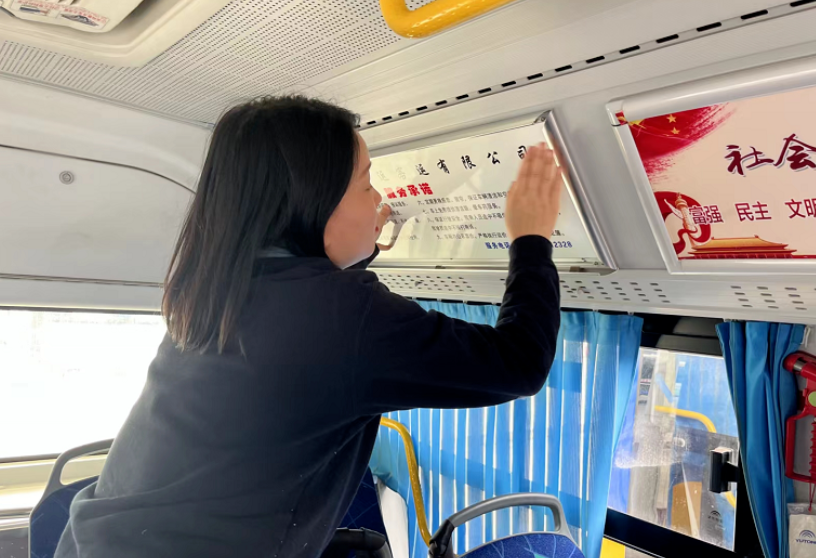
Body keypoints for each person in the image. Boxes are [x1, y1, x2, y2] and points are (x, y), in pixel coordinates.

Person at [55, 96, 562, 558]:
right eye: (365, 183)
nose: (377, 198)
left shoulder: (219, 284)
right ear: (315, 204)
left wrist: (350, 253)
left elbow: (312, 332)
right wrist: (532, 238)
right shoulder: (339, 316)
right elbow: (518, 362)